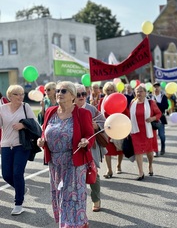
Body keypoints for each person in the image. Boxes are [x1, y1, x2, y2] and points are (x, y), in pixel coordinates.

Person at [37, 81, 95, 228]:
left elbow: (90, 135)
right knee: (59, 194)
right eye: (57, 91)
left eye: (63, 91)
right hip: (55, 162)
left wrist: (85, 141)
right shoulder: (50, 111)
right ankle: (79, 223)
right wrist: (42, 141)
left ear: (72, 95)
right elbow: (45, 132)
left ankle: (71, 224)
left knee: (71, 195)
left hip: (74, 160)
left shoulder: (82, 113)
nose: (59, 94)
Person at [0, 85, 37, 215]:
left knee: (17, 173)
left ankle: (18, 203)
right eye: (17, 94)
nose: (21, 96)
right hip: (5, 145)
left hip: (22, 145)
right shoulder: (2, 109)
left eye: (22, 94)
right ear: (10, 96)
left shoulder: (25, 107)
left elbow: (35, 124)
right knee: (6, 175)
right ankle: (21, 189)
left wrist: (23, 125)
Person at [74, 83, 107, 212]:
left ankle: (96, 199)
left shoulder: (91, 109)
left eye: (83, 94)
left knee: (92, 172)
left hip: (91, 146)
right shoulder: (69, 109)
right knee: (76, 175)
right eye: (78, 94)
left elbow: (104, 122)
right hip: (74, 147)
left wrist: (96, 126)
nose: (81, 97)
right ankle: (77, 202)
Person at [129, 84, 162, 180]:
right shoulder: (132, 103)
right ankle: (140, 172)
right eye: (137, 91)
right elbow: (129, 116)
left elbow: (159, 113)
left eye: (141, 91)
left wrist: (152, 118)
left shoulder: (151, 103)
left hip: (148, 131)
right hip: (136, 131)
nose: (139, 93)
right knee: (138, 151)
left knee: (149, 151)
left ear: (145, 92)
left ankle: (150, 165)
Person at [98, 82, 124, 178]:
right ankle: (109, 170)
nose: (109, 92)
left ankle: (119, 165)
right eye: (107, 90)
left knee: (119, 148)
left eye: (111, 90)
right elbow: (98, 114)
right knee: (107, 149)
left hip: (118, 127)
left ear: (115, 90)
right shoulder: (102, 101)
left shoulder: (119, 99)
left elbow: (125, 112)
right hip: (106, 128)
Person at [151, 82, 169, 156]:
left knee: (161, 135)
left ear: (160, 88)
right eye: (155, 87)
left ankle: (163, 147)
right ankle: (154, 150)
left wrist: (156, 104)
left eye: (157, 86)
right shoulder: (150, 96)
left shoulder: (163, 96)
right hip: (152, 118)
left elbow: (166, 106)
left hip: (161, 118)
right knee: (152, 136)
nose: (156, 88)